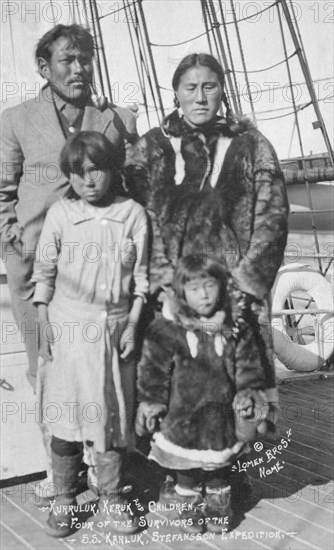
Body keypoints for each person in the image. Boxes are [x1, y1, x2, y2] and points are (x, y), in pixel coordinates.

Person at [125, 51, 288, 414]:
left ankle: (236, 466)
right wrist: (162, 282)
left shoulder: (252, 145)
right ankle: (174, 468)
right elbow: (136, 220)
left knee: (239, 394)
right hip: (170, 295)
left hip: (235, 294)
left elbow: (272, 219)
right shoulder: (152, 148)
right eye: (191, 87)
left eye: (209, 87)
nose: (200, 97)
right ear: (176, 94)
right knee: (174, 388)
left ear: (222, 91)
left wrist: (245, 285)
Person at [0, 24, 138, 389]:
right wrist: (12, 243)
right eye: (68, 60)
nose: (79, 68)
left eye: (86, 60)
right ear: (45, 69)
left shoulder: (118, 119)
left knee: (103, 369)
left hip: (102, 266)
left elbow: (138, 188)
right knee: (47, 369)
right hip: (34, 267)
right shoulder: (15, 120)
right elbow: (1, 192)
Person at [31, 131, 148, 537]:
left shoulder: (133, 214)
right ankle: (65, 498)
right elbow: (43, 277)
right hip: (68, 332)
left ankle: (113, 497)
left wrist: (132, 324)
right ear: (70, 177)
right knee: (66, 420)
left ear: (112, 170)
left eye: (96, 170)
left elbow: (142, 282)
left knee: (110, 423)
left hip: (115, 333)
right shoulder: (61, 215)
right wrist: (45, 323)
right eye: (78, 174)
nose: (88, 181)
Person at [136, 255, 278, 534]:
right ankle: (189, 504)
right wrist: (152, 402)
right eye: (194, 288)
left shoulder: (235, 326)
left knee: (220, 465)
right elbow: (153, 369)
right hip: (182, 417)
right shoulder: (169, 329)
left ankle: (218, 503)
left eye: (210, 285)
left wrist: (248, 394)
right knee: (185, 468)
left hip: (221, 416)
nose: (203, 294)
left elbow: (249, 365)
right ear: (181, 293)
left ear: (222, 287)